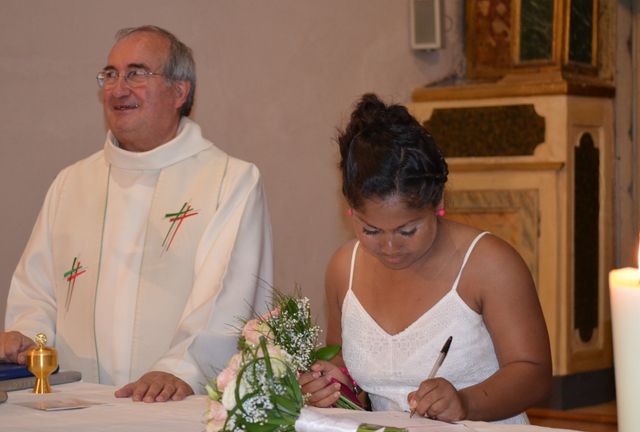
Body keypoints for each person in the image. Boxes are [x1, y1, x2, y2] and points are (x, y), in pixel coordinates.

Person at [0, 25, 273, 403]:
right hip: (75, 405)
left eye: (137, 73)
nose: (118, 88)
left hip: (174, 405)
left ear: (180, 91)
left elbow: (228, 294)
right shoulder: (72, 183)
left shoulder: (229, 180)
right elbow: (37, 288)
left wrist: (179, 368)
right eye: (110, 74)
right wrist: (29, 337)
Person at [299, 93, 551, 424]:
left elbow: (534, 373)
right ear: (351, 212)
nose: (389, 246)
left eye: (407, 231)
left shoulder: (489, 263)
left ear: (438, 202)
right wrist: (330, 388)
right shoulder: (343, 268)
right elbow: (350, 379)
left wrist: (465, 402)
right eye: (371, 230)